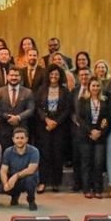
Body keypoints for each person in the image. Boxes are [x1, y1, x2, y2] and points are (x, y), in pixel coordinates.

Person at [35, 65, 73, 193]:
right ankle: (42, 182)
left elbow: (67, 109)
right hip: (44, 126)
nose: (54, 76)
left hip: (59, 126)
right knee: (44, 154)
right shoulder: (41, 90)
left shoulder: (65, 91)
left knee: (58, 154)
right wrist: (46, 119)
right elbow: (37, 107)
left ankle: (56, 182)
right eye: (51, 74)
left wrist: (56, 122)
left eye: (56, 74)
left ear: (60, 76)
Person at [76, 76, 111, 199]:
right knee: (86, 163)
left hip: (100, 137)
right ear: (89, 87)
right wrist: (91, 131)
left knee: (98, 163)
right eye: (93, 86)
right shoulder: (82, 100)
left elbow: (107, 118)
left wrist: (100, 131)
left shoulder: (105, 100)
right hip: (86, 135)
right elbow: (79, 118)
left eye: (97, 86)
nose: (95, 88)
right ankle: (87, 189)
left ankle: (98, 189)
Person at [0, 127, 40, 210]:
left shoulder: (34, 151)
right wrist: (5, 183)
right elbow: (3, 170)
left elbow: (31, 169)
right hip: (12, 178)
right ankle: (15, 195)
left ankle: (31, 200)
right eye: (17, 138)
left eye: (22, 138)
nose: (19, 140)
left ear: (27, 139)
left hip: (26, 178)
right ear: (13, 139)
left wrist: (16, 176)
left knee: (30, 180)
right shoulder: (8, 151)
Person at [0, 68, 33, 151]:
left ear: (20, 77)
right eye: (11, 75)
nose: (14, 77)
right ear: (7, 77)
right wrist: (8, 117)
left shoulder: (28, 92)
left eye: (16, 75)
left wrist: (18, 118)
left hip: (21, 130)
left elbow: (30, 109)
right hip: (4, 130)